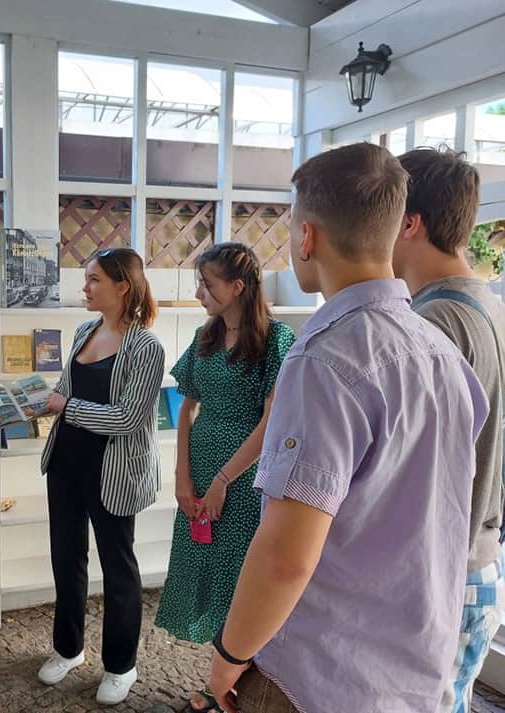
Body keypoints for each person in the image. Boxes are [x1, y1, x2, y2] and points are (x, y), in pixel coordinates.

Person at [207, 143, 489, 713]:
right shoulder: (440, 351)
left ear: (306, 238)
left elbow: (287, 553)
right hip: (412, 670)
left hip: (319, 674)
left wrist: (229, 654)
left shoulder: (324, 359)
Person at [154, 242, 295, 712]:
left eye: (206, 283)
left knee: (242, 579)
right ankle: (219, 685)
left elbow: (272, 421)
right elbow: (186, 407)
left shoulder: (277, 340)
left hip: (246, 477)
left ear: (236, 287)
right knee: (208, 571)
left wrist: (223, 480)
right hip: (200, 468)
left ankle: (242, 687)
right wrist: (182, 475)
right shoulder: (205, 336)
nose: (199, 292)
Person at [393, 147, 505, 713]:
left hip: (441, 576)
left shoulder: (432, 323)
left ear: (409, 223)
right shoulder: (489, 305)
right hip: (480, 565)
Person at [36, 247, 165, 706]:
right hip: (65, 465)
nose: (85, 287)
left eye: (94, 280)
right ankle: (68, 649)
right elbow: (64, 391)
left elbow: (127, 419)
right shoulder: (83, 331)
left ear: (122, 286)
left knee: (118, 568)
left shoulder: (147, 347)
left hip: (114, 473)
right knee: (66, 560)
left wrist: (66, 406)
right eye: (87, 279)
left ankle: (121, 666)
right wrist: (29, 400)